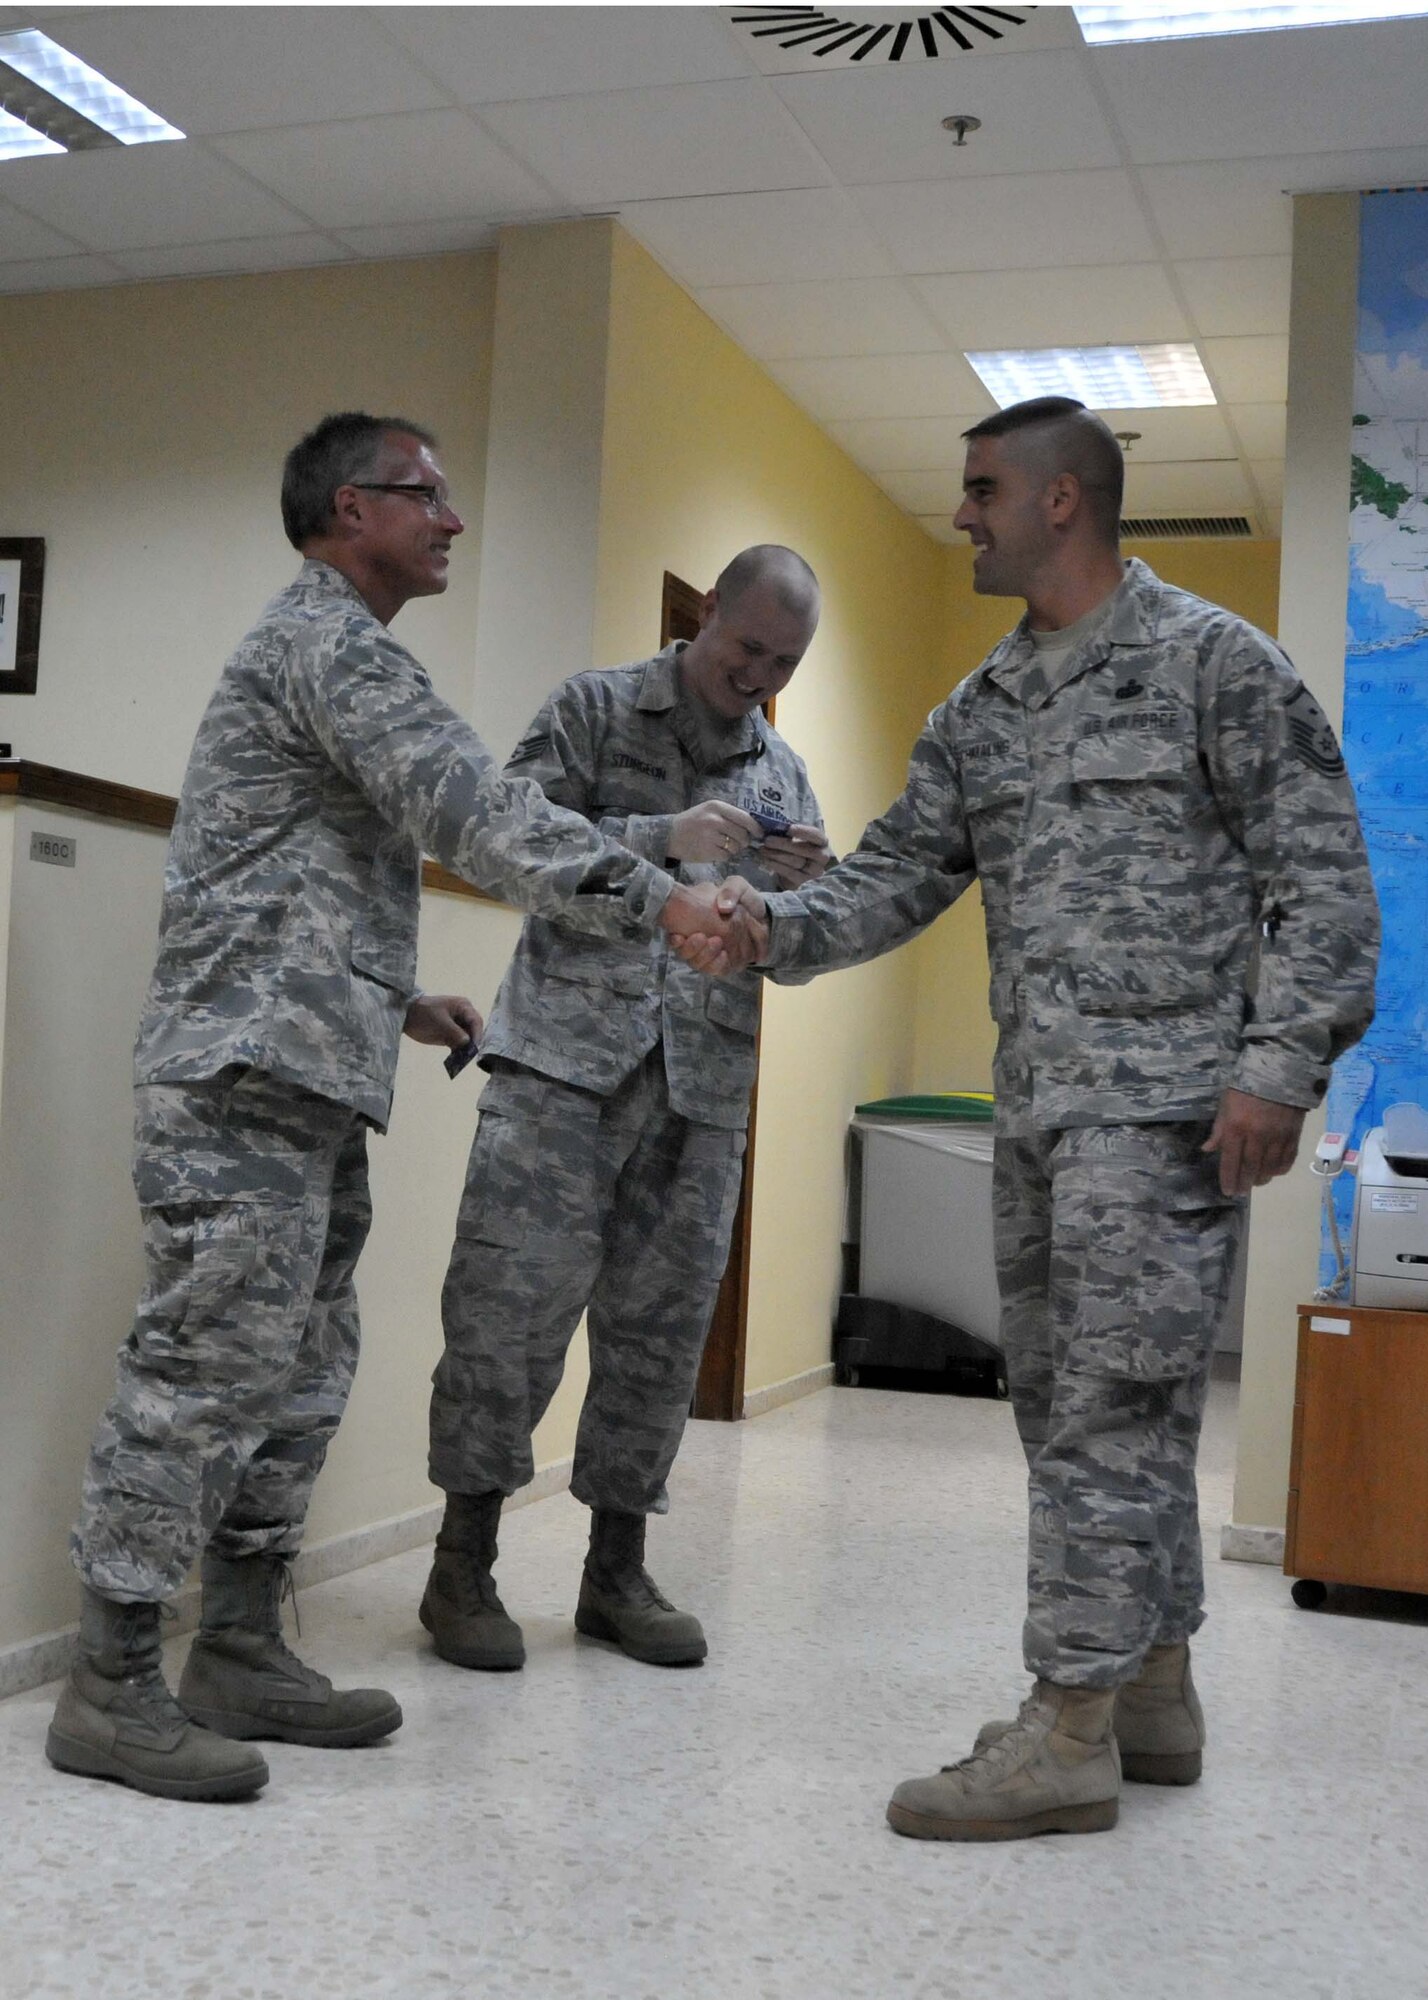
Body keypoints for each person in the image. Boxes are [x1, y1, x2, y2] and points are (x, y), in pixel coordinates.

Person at [682, 398, 1379, 1839]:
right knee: (1078, 1412)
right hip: (1042, 1116)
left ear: (1067, 501)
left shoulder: (1212, 666)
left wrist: (1275, 1069)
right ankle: (1153, 1693)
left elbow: (1325, 884)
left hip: (1169, 1111)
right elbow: (891, 878)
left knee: (1110, 1420)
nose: (964, 514)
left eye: (984, 487)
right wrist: (766, 926)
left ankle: (1067, 1727)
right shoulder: (982, 710)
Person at [47, 412, 760, 1804]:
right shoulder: (329, 644)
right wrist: (660, 894)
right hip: (241, 1082)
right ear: (341, 512)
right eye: (419, 496)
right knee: (202, 1371)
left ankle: (241, 1642)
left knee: (300, 1368)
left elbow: (287, 876)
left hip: (307, 1069)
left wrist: (393, 998)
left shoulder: (347, 657)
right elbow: (480, 811)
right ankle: (110, 1679)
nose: (448, 518)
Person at [421, 545, 831, 1672]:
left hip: (699, 1091)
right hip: (561, 1073)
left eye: (783, 661)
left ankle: (617, 1570)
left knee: (658, 1341)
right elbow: (503, 842)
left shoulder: (783, 773)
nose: (758, 674)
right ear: (706, 613)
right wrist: (663, 838)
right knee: (506, 1320)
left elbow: (803, 948)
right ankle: (462, 1566)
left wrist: (789, 894)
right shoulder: (594, 709)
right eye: (748, 646)